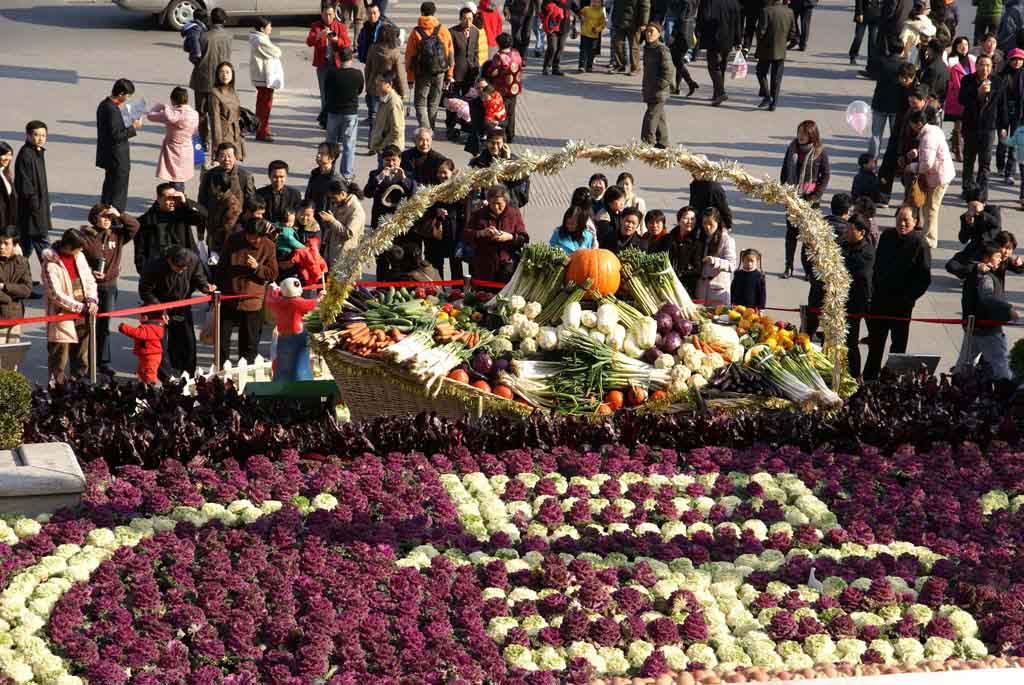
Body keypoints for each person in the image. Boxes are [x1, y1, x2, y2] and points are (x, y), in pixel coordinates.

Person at [862, 205, 931, 380]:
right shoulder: (887, 236)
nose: (902, 223)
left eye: (906, 220)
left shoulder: (920, 244)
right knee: (876, 344)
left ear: (915, 222)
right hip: (880, 302)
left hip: (902, 306)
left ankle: (890, 381)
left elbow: (924, 279)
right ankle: (869, 378)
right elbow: (877, 266)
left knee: (898, 346)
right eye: (899, 219)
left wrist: (909, 298)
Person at [138, 246, 216, 378]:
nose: (181, 271)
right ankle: (166, 376)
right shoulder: (154, 265)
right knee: (159, 344)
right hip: (158, 305)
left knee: (186, 341)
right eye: (178, 268)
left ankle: (187, 373)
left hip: (182, 304)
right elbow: (145, 290)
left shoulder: (193, 260)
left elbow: (198, 277)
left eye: (184, 268)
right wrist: (159, 309)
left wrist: (205, 287)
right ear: (169, 261)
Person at [81, 203, 139, 376]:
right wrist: (90, 272)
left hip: (109, 287)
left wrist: (119, 214)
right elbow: (78, 260)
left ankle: (103, 361)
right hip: (90, 288)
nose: (107, 220)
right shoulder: (86, 237)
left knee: (104, 326)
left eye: (109, 217)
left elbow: (135, 226)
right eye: (103, 216)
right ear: (94, 218)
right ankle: (85, 362)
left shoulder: (117, 235)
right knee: (87, 326)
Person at [215, 218, 277, 365]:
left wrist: (257, 267)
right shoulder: (233, 240)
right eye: (250, 237)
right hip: (230, 297)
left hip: (252, 301)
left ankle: (246, 371)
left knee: (249, 343)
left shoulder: (268, 246)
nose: (254, 240)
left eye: (257, 237)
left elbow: (273, 273)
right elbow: (221, 266)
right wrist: (216, 289)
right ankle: (221, 370)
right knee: (222, 340)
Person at [41, 229, 97, 384]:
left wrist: (92, 299)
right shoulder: (50, 264)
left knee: (81, 355)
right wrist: (80, 307)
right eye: (78, 248)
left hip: (83, 311)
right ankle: (56, 389)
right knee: (59, 356)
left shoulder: (80, 256)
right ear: (68, 246)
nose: (81, 251)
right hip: (61, 314)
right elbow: (56, 295)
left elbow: (89, 279)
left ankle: (79, 385)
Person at [957, 241, 1017, 378]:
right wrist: (1008, 310)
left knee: (964, 365)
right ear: (986, 258)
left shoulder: (975, 274)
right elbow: (987, 299)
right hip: (988, 331)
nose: (1000, 259)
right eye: (997, 256)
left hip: (973, 328)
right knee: (1001, 366)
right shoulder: (986, 278)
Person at [780, 120, 831, 279]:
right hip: (793, 197)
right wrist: (785, 192)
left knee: (808, 235)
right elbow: (784, 170)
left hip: (811, 199)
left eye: (804, 133)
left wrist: (816, 195)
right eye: (799, 132)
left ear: (812, 135)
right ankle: (788, 266)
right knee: (791, 233)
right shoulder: (792, 148)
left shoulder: (820, 151)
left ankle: (808, 269)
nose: (800, 136)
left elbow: (826, 175)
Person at [960, 54, 1009, 200]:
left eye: (988, 65)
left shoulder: (998, 82)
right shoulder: (967, 80)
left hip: (988, 127)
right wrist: (978, 92)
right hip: (970, 125)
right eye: (981, 64)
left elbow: (1002, 106)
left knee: (985, 162)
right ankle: (967, 189)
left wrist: (1003, 126)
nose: (984, 68)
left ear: (992, 67)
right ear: (976, 66)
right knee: (969, 160)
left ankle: (981, 193)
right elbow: (961, 99)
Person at [903, 108, 954, 248]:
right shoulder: (933, 130)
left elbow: (927, 164)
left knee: (931, 208)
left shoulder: (927, 137)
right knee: (928, 207)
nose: (911, 127)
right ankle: (928, 235)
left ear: (919, 123)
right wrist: (918, 152)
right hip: (942, 173)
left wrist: (912, 167)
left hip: (938, 177)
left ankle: (929, 240)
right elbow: (930, 151)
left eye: (912, 124)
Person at [135, 183, 206, 273]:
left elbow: (203, 216)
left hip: (184, 268)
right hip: (159, 269)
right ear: (158, 199)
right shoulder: (146, 221)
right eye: (168, 198)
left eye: (174, 198)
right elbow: (140, 251)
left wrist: (185, 201)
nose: (172, 201)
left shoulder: (183, 212)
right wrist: (144, 272)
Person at [406, 2, 455, 131]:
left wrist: (410, 79)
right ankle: (430, 130)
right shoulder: (443, 30)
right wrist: (449, 76)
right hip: (440, 72)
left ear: (421, 13)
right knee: (433, 102)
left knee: (420, 103)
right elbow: (450, 55)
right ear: (434, 13)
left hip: (422, 74)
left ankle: (425, 129)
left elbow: (410, 58)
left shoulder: (416, 33)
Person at [197, 143, 256, 249]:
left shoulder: (245, 176)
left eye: (229, 156)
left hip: (237, 227)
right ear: (217, 158)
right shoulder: (209, 176)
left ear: (235, 157)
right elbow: (201, 203)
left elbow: (250, 202)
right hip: (214, 227)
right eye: (222, 156)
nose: (226, 159)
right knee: (215, 261)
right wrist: (200, 230)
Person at [464, 184, 529, 280]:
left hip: (507, 266)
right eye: (492, 203)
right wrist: (481, 233)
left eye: (499, 203)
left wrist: (509, 237)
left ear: (506, 202)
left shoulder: (514, 214)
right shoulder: (479, 214)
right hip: (484, 266)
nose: (495, 207)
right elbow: (466, 234)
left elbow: (524, 238)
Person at [189, 8, 232, 153]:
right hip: (221, 81)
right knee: (218, 115)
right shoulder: (229, 36)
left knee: (201, 114)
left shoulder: (203, 36)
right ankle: (218, 144)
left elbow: (194, 56)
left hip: (202, 79)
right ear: (224, 20)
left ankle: (204, 142)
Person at [95, 79, 141, 212]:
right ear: (121, 93)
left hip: (109, 154)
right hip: (117, 156)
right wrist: (133, 127)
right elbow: (117, 135)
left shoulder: (104, 105)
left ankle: (105, 208)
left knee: (110, 184)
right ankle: (115, 213)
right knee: (118, 188)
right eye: (128, 95)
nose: (128, 98)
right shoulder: (111, 109)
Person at [416, 160, 465, 277]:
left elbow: (464, 209)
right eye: (438, 172)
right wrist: (435, 211)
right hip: (435, 231)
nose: (441, 176)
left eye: (444, 172)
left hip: (453, 231)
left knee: (455, 262)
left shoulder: (459, 187)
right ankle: (438, 289)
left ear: (452, 172)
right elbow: (422, 208)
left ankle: (457, 290)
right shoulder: (430, 187)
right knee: (436, 263)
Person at [15, 121, 50, 278]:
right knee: (45, 250)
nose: (40, 138)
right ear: (28, 136)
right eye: (36, 135)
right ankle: (53, 281)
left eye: (43, 135)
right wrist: (38, 211)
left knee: (24, 249)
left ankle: (20, 279)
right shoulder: (26, 155)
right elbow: (27, 187)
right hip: (32, 213)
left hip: (35, 212)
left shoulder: (37, 152)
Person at [323, 47, 365, 181]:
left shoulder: (332, 73)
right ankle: (346, 173)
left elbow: (326, 90)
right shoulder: (357, 74)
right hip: (350, 112)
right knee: (349, 144)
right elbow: (359, 90)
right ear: (351, 59)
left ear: (338, 59)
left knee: (331, 143)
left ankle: (328, 170)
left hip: (334, 112)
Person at [841, 215, 875, 377]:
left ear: (862, 232)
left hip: (864, 302)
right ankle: (853, 374)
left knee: (874, 342)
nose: (846, 232)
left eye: (850, 229)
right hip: (847, 303)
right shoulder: (844, 245)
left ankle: (866, 375)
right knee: (850, 342)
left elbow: (856, 271)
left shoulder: (868, 252)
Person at [147, 87, 200, 190]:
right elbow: (195, 132)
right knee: (181, 177)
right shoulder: (194, 114)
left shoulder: (169, 115)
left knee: (173, 176)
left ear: (173, 100)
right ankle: (181, 195)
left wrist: (159, 106)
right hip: (187, 147)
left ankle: (176, 198)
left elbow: (150, 116)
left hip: (171, 148)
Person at [449, 7, 487, 141]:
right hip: (457, 72)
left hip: (471, 73)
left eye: (470, 18)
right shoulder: (452, 32)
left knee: (469, 101)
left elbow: (476, 51)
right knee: (454, 101)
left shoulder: (476, 31)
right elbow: (450, 53)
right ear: (460, 18)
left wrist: (476, 67)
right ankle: (451, 127)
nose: (468, 21)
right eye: (465, 18)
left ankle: (466, 127)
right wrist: (450, 72)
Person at [307, 3, 352, 116]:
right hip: (323, 65)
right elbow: (309, 41)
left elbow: (347, 44)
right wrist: (319, 35)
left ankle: (334, 114)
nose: (328, 18)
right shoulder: (316, 26)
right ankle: (325, 117)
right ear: (321, 14)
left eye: (330, 15)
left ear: (334, 14)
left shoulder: (340, 26)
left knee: (336, 92)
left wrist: (337, 40)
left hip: (337, 64)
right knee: (324, 92)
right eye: (325, 15)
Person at [469, 128, 531, 208]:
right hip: (485, 207)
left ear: (504, 144)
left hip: (508, 206)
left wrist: (508, 161)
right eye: (492, 143)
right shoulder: (477, 162)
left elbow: (519, 181)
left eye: (498, 143)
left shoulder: (515, 161)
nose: (495, 146)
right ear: (487, 143)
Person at [364, 23, 408, 135]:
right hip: (388, 88)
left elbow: (367, 68)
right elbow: (400, 74)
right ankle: (382, 141)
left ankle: (372, 142)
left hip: (374, 86)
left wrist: (368, 84)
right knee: (387, 117)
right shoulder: (395, 52)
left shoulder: (373, 48)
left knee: (374, 116)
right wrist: (403, 93)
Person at [870, 57, 915, 161]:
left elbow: (873, 74)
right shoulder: (903, 67)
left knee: (876, 135)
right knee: (895, 135)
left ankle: (872, 161)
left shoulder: (882, 63)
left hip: (879, 104)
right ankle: (894, 160)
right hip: (896, 107)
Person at [698, 0, 741, 106]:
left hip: (713, 38)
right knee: (721, 66)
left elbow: (703, 17)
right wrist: (738, 40)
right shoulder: (734, 3)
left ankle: (720, 92)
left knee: (713, 67)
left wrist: (698, 32)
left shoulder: (709, 2)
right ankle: (716, 94)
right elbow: (738, 23)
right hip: (728, 39)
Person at [365, 145, 417, 231]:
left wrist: (404, 179)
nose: (391, 163)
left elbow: (414, 193)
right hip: (380, 218)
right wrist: (379, 178)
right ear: (382, 160)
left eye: (394, 160)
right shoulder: (375, 174)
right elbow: (367, 193)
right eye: (387, 160)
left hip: (399, 218)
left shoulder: (408, 175)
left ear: (400, 160)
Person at [483, 33, 525, 139]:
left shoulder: (499, 56)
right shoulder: (516, 52)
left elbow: (493, 71)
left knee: (502, 112)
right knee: (511, 111)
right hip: (514, 87)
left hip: (502, 89)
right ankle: (511, 133)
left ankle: (503, 135)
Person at [249, 16, 283, 143]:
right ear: (263, 28)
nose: (271, 28)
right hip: (264, 77)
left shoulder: (259, 38)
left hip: (263, 76)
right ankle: (261, 131)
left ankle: (263, 128)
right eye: (269, 26)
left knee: (263, 104)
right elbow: (276, 52)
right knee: (265, 106)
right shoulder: (260, 40)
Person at [640, 22, 675, 147]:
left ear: (659, 34)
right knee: (659, 116)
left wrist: (661, 86)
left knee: (651, 116)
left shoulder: (662, 49)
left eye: (652, 31)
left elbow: (669, 70)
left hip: (659, 90)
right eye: (647, 31)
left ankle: (647, 142)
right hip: (650, 88)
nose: (649, 34)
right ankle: (663, 142)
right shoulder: (648, 48)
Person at [756, 0, 794, 111]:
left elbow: (761, 32)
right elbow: (793, 33)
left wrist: (760, 43)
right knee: (777, 78)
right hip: (781, 50)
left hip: (765, 50)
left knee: (761, 72)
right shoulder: (789, 12)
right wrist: (783, 42)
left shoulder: (766, 11)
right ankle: (774, 103)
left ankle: (767, 96)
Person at [319, 180, 366, 269]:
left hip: (345, 257)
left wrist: (332, 220)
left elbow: (349, 233)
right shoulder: (341, 204)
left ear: (343, 194)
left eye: (334, 197)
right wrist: (328, 221)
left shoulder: (356, 210)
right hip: (333, 252)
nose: (332, 201)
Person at [695, 206, 736, 305]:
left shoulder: (727, 240)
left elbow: (732, 265)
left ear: (718, 223)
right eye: (705, 223)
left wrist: (715, 261)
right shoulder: (700, 237)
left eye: (711, 224)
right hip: (701, 290)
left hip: (718, 291)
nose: (707, 227)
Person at [945, 36, 976, 163]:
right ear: (956, 47)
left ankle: (956, 144)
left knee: (967, 125)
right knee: (958, 125)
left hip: (972, 96)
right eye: (960, 45)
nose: (964, 47)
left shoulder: (973, 60)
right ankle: (958, 150)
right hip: (957, 96)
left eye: (966, 44)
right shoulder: (951, 61)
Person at [209, 62, 246, 162]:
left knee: (233, 165)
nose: (225, 75)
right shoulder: (215, 93)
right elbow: (215, 121)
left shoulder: (233, 91)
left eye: (227, 72)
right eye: (221, 72)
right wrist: (217, 144)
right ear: (217, 75)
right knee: (225, 164)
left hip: (236, 134)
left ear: (232, 74)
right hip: (224, 135)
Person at [997, 48, 1024, 182]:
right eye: (1015, 59)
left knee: (1014, 144)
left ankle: (1010, 173)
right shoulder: (1002, 75)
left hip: (1019, 114)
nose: (1017, 62)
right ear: (1009, 60)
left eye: (1020, 59)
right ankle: (1000, 166)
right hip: (1003, 111)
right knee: (1002, 141)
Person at [0, 229, 31, 345]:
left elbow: (26, 290)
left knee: (12, 357)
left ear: (15, 245)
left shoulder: (22, 262)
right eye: (0, 243)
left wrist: (4, 287)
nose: (2, 247)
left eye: (6, 243)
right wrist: (9, 298)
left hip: (15, 316)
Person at [118, 312, 166, 385]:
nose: (138, 318)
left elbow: (137, 333)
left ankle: (152, 390)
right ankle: (143, 386)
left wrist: (123, 327)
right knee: (142, 372)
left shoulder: (148, 328)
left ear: (145, 317)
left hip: (150, 356)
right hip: (147, 355)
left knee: (149, 374)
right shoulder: (153, 326)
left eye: (140, 316)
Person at [665, 206, 704, 294]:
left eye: (692, 219)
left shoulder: (697, 242)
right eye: (686, 218)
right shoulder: (669, 238)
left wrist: (681, 274)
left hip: (686, 287)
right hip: (668, 283)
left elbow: (698, 269)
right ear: (679, 220)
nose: (689, 222)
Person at [369, 75, 406, 162]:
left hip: (390, 151)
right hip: (383, 148)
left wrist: (382, 146)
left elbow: (397, 130)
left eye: (379, 85)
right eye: (376, 85)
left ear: (389, 84)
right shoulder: (384, 99)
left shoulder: (393, 103)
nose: (376, 88)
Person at [668, 0, 701, 96]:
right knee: (679, 60)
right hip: (688, 31)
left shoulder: (686, 2)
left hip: (682, 34)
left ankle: (690, 83)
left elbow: (681, 19)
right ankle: (679, 86)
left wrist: (673, 34)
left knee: (677, 61)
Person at [256, 160, 302, 224]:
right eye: (275, 177)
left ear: (286, 176)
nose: (278, 180)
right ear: (269, 176)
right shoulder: (259, 194)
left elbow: (299, 215)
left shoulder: (294, 195)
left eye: (281, 177)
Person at [611, 0, 650, 74]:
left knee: (634, 46)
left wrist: (644, 22)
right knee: (617, 44)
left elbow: (645, 6)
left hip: (634, 21)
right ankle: (620, 66)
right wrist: (614, 18)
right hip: (619, 20)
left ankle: (635, 68)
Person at [305, 142, 343, 210]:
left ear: (332, 158)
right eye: (318, 152)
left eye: (322, 153)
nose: (318, 156)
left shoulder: (335, 180)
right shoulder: (315, 174)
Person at [542, 0, 572, 75]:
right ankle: (546, 66)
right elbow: (543, 8)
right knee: (552, 47)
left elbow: (574, 6)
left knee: (560, 47)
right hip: (552, 27)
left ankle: (556, 67)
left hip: (564, 26)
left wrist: (580, 14)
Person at [850, 0, 882, 66]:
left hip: (876, 15)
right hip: (863, 13)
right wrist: (859, 12)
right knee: (858, 37)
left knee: (873, 39)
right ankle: (853, 56)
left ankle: (871, 60)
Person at [578, 0, 606, 72]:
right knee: (583, 50)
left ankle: (589, 66)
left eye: (597, 2)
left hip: (594, 35)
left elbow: (603, 24)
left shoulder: (601, 13)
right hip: (585, 33)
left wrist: (597, 29)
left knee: (592, 51)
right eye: (593, 1)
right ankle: (581, 66)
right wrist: (581, 17)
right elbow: (580, 13)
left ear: (601, 3)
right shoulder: (586, 9)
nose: (595, 3)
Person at [1005, 114, 1024, 208]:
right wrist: (1004, 139)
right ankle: (1022, 198)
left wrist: (1004, 139)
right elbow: (1012, 142)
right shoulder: (1019, 131)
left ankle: (1022, 198)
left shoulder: (1019, 131)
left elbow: (1012, 142)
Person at [0, 143, 15, 233]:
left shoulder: (5, 173)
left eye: (9, 155)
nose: (7, 158)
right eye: (4, 154)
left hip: (7, 222)